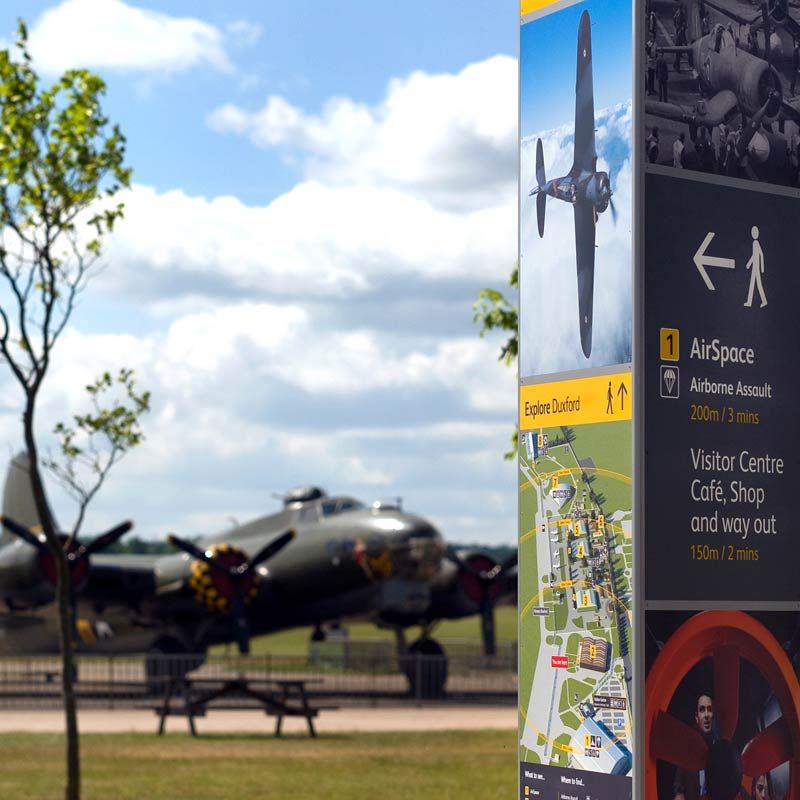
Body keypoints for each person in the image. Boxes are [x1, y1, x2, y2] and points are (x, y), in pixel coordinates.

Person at [673, 693, 715, 800]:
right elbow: (679, 791)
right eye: (702, 710)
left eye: (710, 709)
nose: (706, 715)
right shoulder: (686, 753)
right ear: (696, 717)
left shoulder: (722, 752)